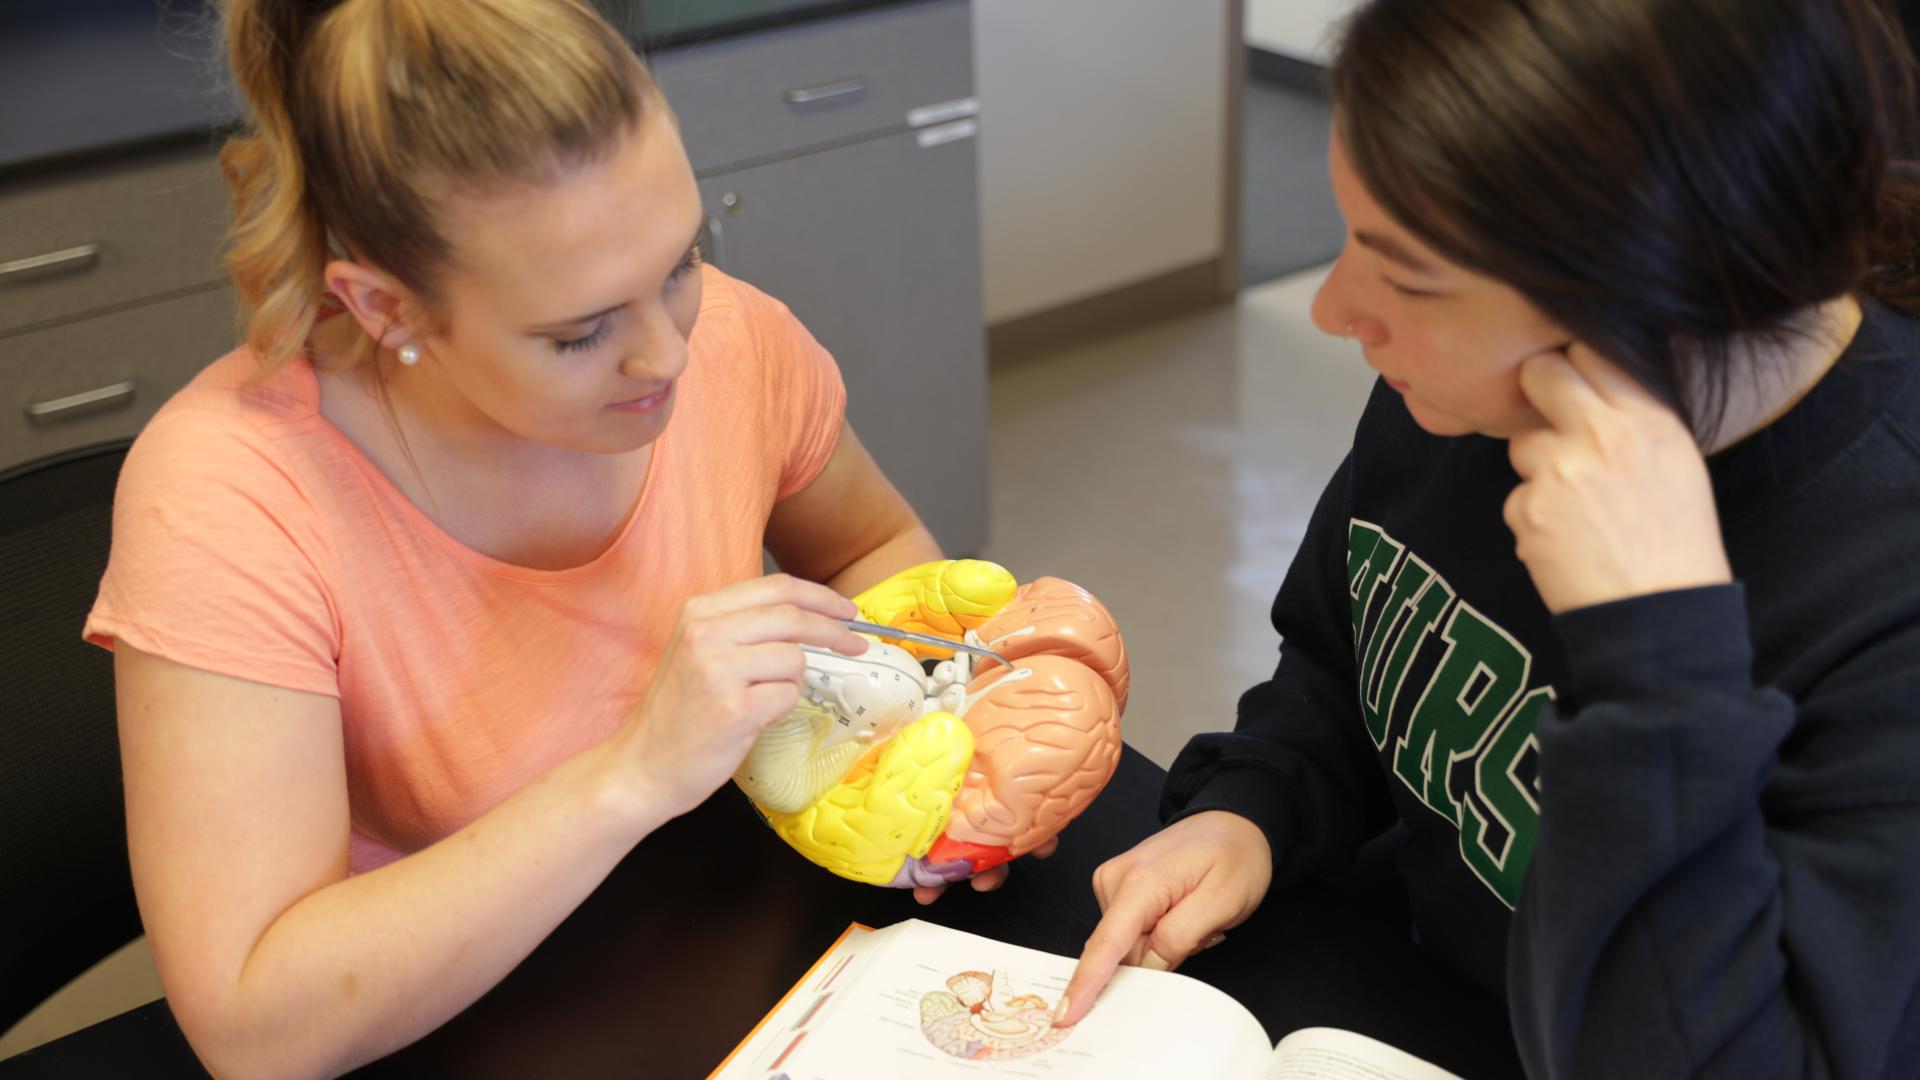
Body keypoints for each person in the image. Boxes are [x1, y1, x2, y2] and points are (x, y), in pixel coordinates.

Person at [81, 1, 993, 1074]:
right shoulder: (232, 500)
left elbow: (872, 548)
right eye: (581, 332)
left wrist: (907, 762)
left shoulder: (734, 341)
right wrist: (633, 772)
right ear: (385, 308)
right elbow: (257, 1025)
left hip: (726, 964)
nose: (666, 355)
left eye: (681, 260)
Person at [1058, 0, 1920, 1075]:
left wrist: (1658, 663)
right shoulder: (1471, 398)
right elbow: (1343, 656)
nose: (1333, 310)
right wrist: (1256, 807)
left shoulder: (1883, 591)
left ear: (1655, 298)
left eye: (1410, 278)